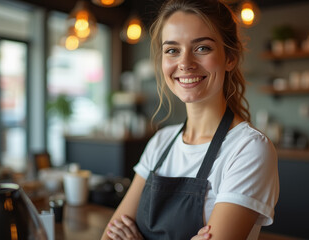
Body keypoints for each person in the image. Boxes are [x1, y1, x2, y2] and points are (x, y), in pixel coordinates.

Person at [101, 0, 279, 239]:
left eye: (202, 48)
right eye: (172, 50)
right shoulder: (161, 142)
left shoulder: (248, 148)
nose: (185, 63)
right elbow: (110, 235)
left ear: (230, 57)